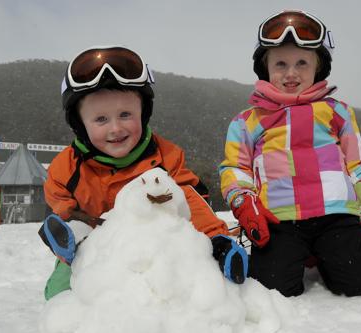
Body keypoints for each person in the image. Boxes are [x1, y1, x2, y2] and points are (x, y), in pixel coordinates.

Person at [39, 46, 248, 300]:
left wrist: (216, 241)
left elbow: (191, 201)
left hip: (155, 248)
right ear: (80, 124)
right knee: (62, 294)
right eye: (101, 120)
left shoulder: (164, 156)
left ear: (143, 112)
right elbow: (61, 206)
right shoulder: (67, 167)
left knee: (185, 287)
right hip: (92, 251)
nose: (115, 128)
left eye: (125, 114)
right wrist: (75, 238)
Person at [219, 10, 361, 297]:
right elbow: (235, 170)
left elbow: (359, 168)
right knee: (271, 288)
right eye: (281, 63)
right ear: (266, 68)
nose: (291, 73)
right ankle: (301, 255)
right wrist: (244, 202)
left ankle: (326, 255)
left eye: (302, 62)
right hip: (279, 220)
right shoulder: (247, 120)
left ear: (318, 66)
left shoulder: (338, 112)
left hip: (335, 216)